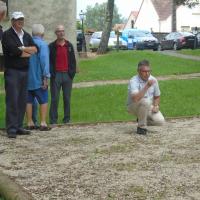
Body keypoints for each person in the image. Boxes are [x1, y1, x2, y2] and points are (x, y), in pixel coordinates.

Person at [1, 11, 37, 138]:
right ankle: (11, 128)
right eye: (17, 19)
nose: (20, 21)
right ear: (12, 21)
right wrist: (25, 50)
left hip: (24, 71)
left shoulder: (26, 35)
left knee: (22, 100)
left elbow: (35, 49)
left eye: (22, 19)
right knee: (12, 100)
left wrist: (22, 49)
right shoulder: (7, 35)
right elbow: (14, 52)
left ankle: (18, 126)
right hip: (12, 72)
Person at [127, 60, 165, 135]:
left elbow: (157, 96)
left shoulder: (153, 79)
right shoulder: (133, 81)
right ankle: (141, 128)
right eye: (144, 71)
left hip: (147, 106)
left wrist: (156, 105)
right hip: (133, 106)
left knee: (160, 121)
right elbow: (135, 99)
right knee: (146, 101)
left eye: (149, 71)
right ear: (138, 71)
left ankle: (141, 119)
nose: (147, 74)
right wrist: (147, 86)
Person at [49, 24, 76, 125]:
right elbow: (50, 61)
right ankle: (53, 120)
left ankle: (67, 119)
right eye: (59, 31)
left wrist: (71, 74)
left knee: (67, 98)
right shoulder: (51, 46)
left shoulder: (69, 46)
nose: (61, 33)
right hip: (56, 76)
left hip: (67, 76)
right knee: (55, 98)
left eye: (63, 31)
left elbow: (73, 61)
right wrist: (52, 73)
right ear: (56, 33)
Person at [26, 24, 51, 131]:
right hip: (39, 79)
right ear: (43, 34)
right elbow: (44, 62)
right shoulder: (43, 45)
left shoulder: (27, 44)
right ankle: (43, 122)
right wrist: (45, 78)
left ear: (32, 34)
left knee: (28, 101)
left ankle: (29, 122)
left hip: (27, 78)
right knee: (43, 100)